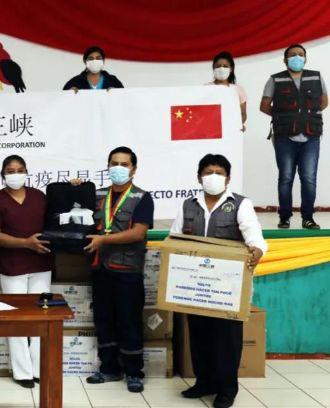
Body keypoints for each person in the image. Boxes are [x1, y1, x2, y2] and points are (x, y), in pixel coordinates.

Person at [170, 154, 267, 408]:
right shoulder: (187, 205)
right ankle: (204, 382)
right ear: (199, 177)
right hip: (196, 287)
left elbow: (255, 237)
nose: (213, 176)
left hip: (228, 289)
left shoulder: (241, 204)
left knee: (227, 341)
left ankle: (227, 389)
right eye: (208, 172)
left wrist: (257, 250)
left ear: (228, 178)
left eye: (219, 172)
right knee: (199, 337)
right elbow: (174, 238)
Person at [74, 147, 153, 393]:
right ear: (108, 166)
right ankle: (109, 368)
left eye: (124, 164)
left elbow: (138, 233)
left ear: (133, 169)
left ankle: (134, 373)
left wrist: (104, 240)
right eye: (114, 163)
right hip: (101, 269)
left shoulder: (142, 198)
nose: (118, 168)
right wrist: (75, 189)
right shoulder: (97, 194)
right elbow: (72, 209)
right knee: (103, 319)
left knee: (129, 321)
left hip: (128, 271)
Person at [0, 155, 53, 389]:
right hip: (12, 266)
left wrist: (75, 187)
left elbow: (60, 217)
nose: (16, 174)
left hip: (41, 264)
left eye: (20, 170)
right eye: (10, 171)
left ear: (27, 171)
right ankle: (22, 372)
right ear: (3, 174)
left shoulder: (39, 196)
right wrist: (26, 243)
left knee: (41, 317)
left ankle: (38, 368)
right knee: (17, 319)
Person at [260, 43, 327, 230]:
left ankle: (308, 218)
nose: (297, 57)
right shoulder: (275, 79)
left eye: (300, 54)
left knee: (309, 178)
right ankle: (285, 217)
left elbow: (324, 102)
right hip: (284, 137)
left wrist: (306, 117)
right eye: (292, 55)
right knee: (286, 177)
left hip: (311, 136)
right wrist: (283, 117)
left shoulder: (316, 77)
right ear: (285, 59)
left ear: (305, 58)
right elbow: (264, 106)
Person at [207, 51, 247, 131]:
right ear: (214, 68)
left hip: (231, 132)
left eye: (225, 66)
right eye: (218, 66)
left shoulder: (238, 89)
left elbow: (243, 113)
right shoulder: (206, 88)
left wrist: (238, 124)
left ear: (231, 69)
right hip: (211, 130)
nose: (221, 69)